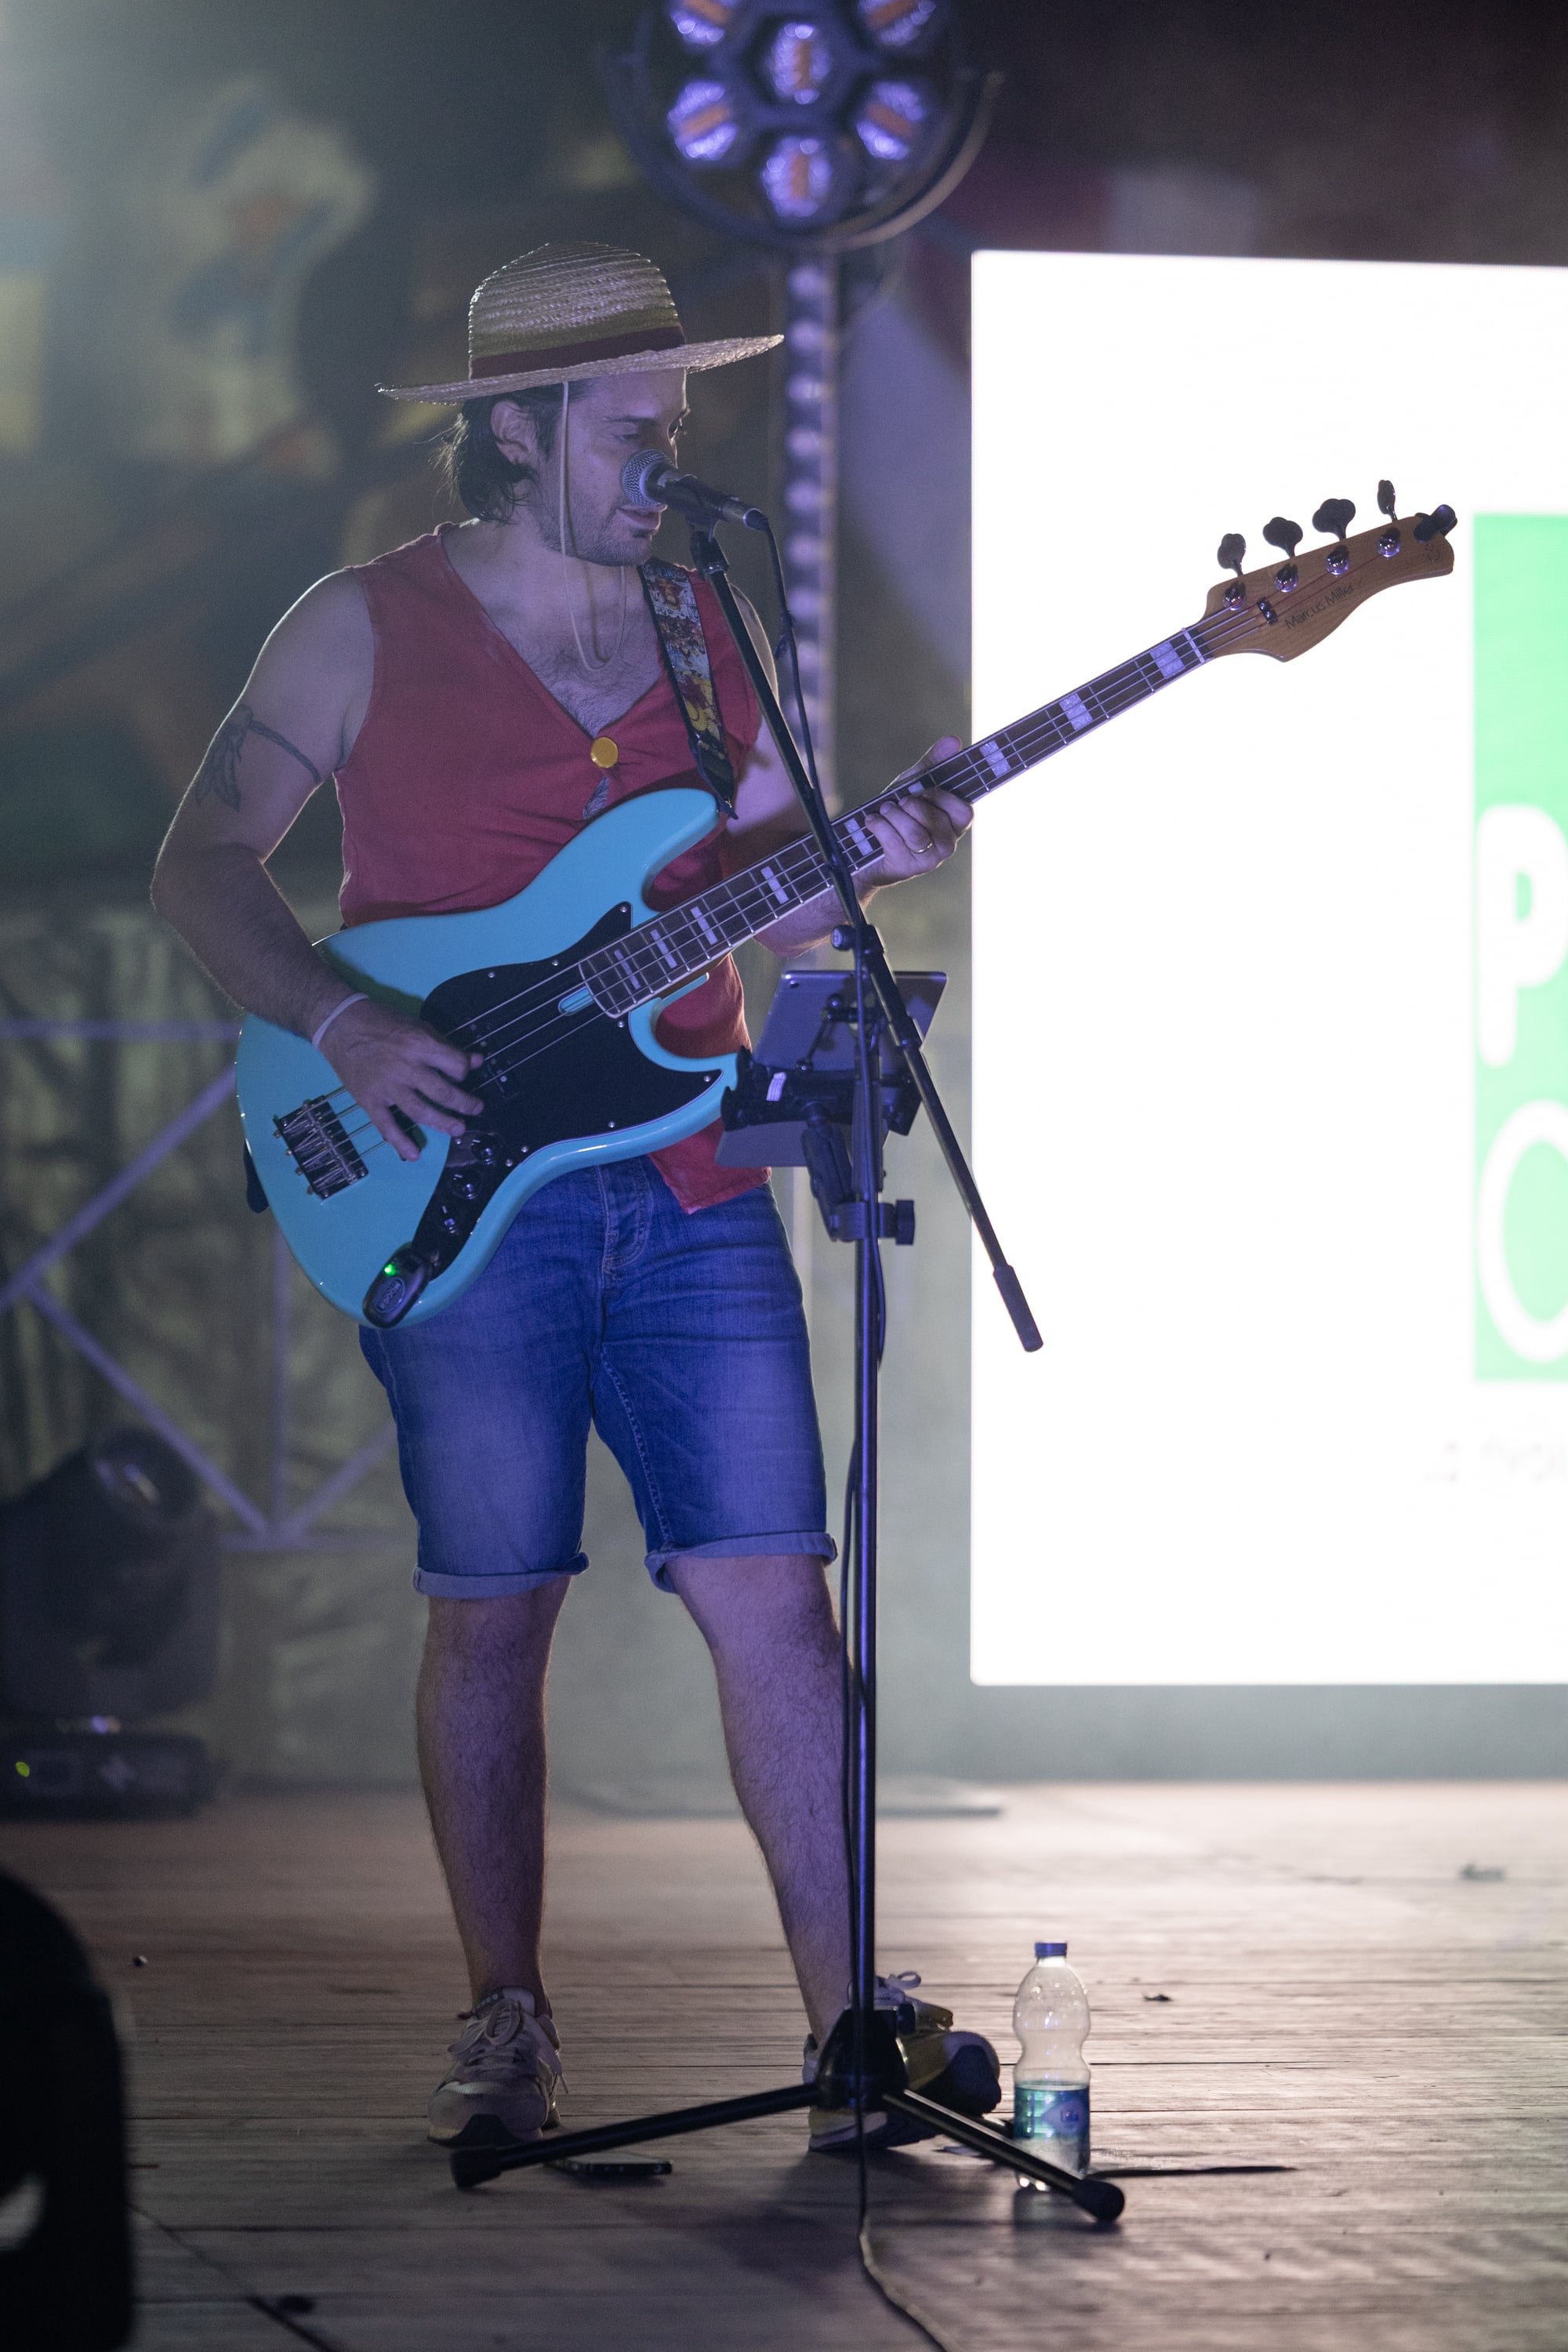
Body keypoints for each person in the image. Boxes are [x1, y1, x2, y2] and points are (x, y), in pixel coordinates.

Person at [152, 241, 996, 2156]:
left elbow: (769, 888)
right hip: (454, 1177)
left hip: (692, 1171)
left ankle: (849, 2030)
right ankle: (506, 2016)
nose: (667, 461)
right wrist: (340, 1019)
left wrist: (884, 849)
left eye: (675, 423)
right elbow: (199, 864)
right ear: (519, 431)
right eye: (634, 429)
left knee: (776, 1597)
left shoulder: (707, 627)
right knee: (495, 1603)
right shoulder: (357, 625)